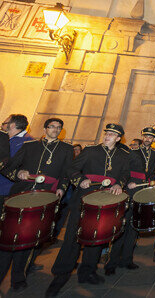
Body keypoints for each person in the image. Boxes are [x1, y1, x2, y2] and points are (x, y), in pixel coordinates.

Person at [46, 123, 129, 297]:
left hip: (105, 201)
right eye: (106, 133)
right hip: (83, 200)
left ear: (118, 138)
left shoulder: (122, 155)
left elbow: (124, 175)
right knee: (73, 237)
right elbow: (72, 169)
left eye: (112, 135)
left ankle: (87, 272)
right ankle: (61, 274)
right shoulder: (91, 151)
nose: (107, 136)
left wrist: (118, 185)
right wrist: (80, 180)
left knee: (97, 238)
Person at [0, 118, 72, 292]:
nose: (55, 129)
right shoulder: (29, 146)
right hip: (20, 195)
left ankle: (18, 277)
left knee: (30, 239)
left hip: (45, 198)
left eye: (58, 128)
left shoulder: (67, 149)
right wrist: (19, 173)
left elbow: (66, 173)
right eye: (52, 126)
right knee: (8, 237)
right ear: (46, 128)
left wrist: (61, 189)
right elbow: (7, 168)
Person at [105, 127, 155, 275]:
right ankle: (111, 263)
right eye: (146, 136)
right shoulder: (131, 152)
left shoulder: (153, 154)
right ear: (142, 136)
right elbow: (124, 170)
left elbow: (151, 172)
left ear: (154, 139)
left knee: (134, 227)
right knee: (122, 227)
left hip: (142, 192)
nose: (148, 139)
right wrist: (127, 182)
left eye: (151, 137)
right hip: (129, 191)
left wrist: (152, 181)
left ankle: (127, 260)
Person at [0, 114, 33, 200]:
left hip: (6, 189)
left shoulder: (27, 142)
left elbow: (9, 163)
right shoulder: (6, 138)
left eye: (4, 123)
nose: (1, 125)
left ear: (12, 125)